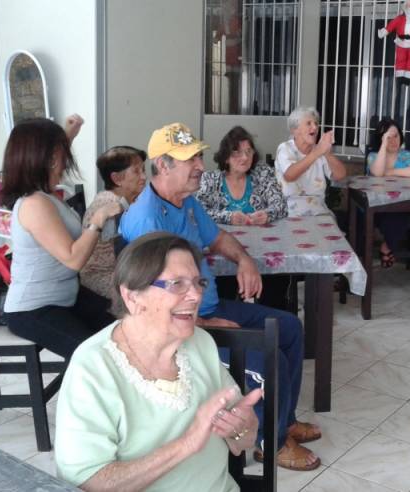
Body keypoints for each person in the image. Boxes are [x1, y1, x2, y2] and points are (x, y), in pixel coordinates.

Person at [120, 122, 321, 471]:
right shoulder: (146, 220)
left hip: (207, 308)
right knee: (270, 361)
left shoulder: (186, 203)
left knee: (288, 327)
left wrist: (244, 259)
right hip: (181, 328)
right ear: (163, 165)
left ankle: (283, 421)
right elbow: (151, 305)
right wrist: (204, 324)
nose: (200, 165)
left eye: (199, 156)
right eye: (190, 159)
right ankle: (268, 444)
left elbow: (217, 238)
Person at [55, 232, 262, 491]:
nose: (195, 296)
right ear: (132, 297)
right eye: (177, 284)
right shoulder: (93, 368)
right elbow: (86, 482)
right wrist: (186, 444)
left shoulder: (200, 343)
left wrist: (242, 427)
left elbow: (243, 437)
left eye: (199, 283)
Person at [0, 116, 120, 359]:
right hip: (34, 309)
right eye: (59, 157)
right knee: (93, 356)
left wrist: (69, 133)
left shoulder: (45, 193)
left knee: (122, 331)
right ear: (46, 159)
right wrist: (97, 221)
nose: (64, 164)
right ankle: (87, 394)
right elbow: (74, 259)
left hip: (67, 296)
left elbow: (52, 150)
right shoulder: (34, 204)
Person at [196, 126, 289, 309]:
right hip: (226, 252)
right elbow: (199, 211)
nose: (245, 158)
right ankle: (232, 324)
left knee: (275, 284)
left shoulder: (263, 174)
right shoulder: (211, 180)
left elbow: (281, 207)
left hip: (262, 250)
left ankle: (271, 323)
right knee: (224, 290)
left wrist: (267, 214)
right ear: (226, 157)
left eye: (248, 152)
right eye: (237, 152)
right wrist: (227, 216)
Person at [80, 146, 147, 300]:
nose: (144, 177)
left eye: (143, 170)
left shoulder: (124, 200)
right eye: (137, 171)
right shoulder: (111, 205)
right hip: (101, 275)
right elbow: (123, 249)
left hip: (118, 271)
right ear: (117, 179)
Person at [366, 117, 410, 268]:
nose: (393, 140)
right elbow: (378, 173)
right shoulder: (373, 156)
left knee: (402, 213)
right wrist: (383, 146)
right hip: (376, 204)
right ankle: (383, 247)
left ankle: (386, 245)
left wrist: (391, 171)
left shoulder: (406, 156)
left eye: (396, 136)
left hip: (400, 204)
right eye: (388, 137)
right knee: (383, 218)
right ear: (380, 139)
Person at [275, 106, 347, 216]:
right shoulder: (285, 148)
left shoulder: (319, 150)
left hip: (318, 209)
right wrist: (317, 152)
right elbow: (289, 175)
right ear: (295, 130)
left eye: (316, 123)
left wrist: (327, 153)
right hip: (289, 210)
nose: (315, 127)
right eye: (309, 123)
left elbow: (340, 175)